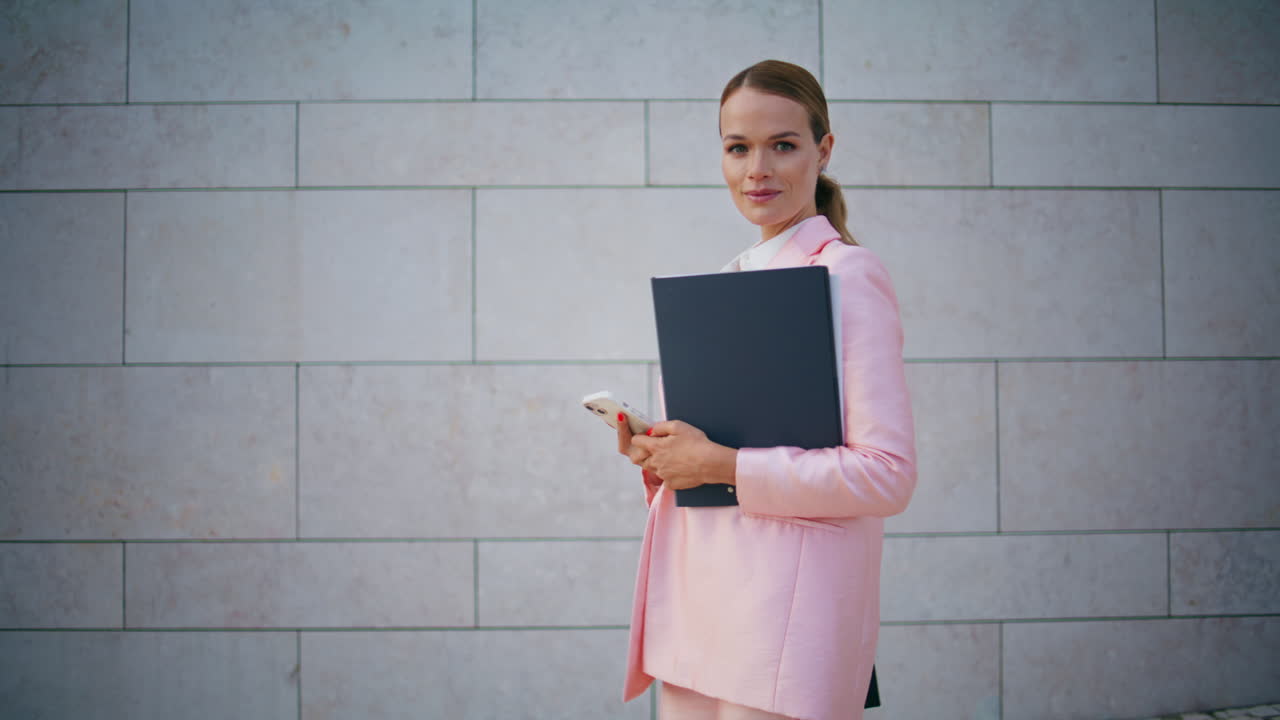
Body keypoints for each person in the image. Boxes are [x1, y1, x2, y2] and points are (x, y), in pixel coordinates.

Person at [614, 60, 917, 720]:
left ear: (823, 150)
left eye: (783, 145)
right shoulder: (727, 281)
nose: (758, 169)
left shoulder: (847, 275)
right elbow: (712, 464)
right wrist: (663, 460)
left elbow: (886, 475)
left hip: (784, 625)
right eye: (737, 147)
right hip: (698, 615)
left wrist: (721, 465)